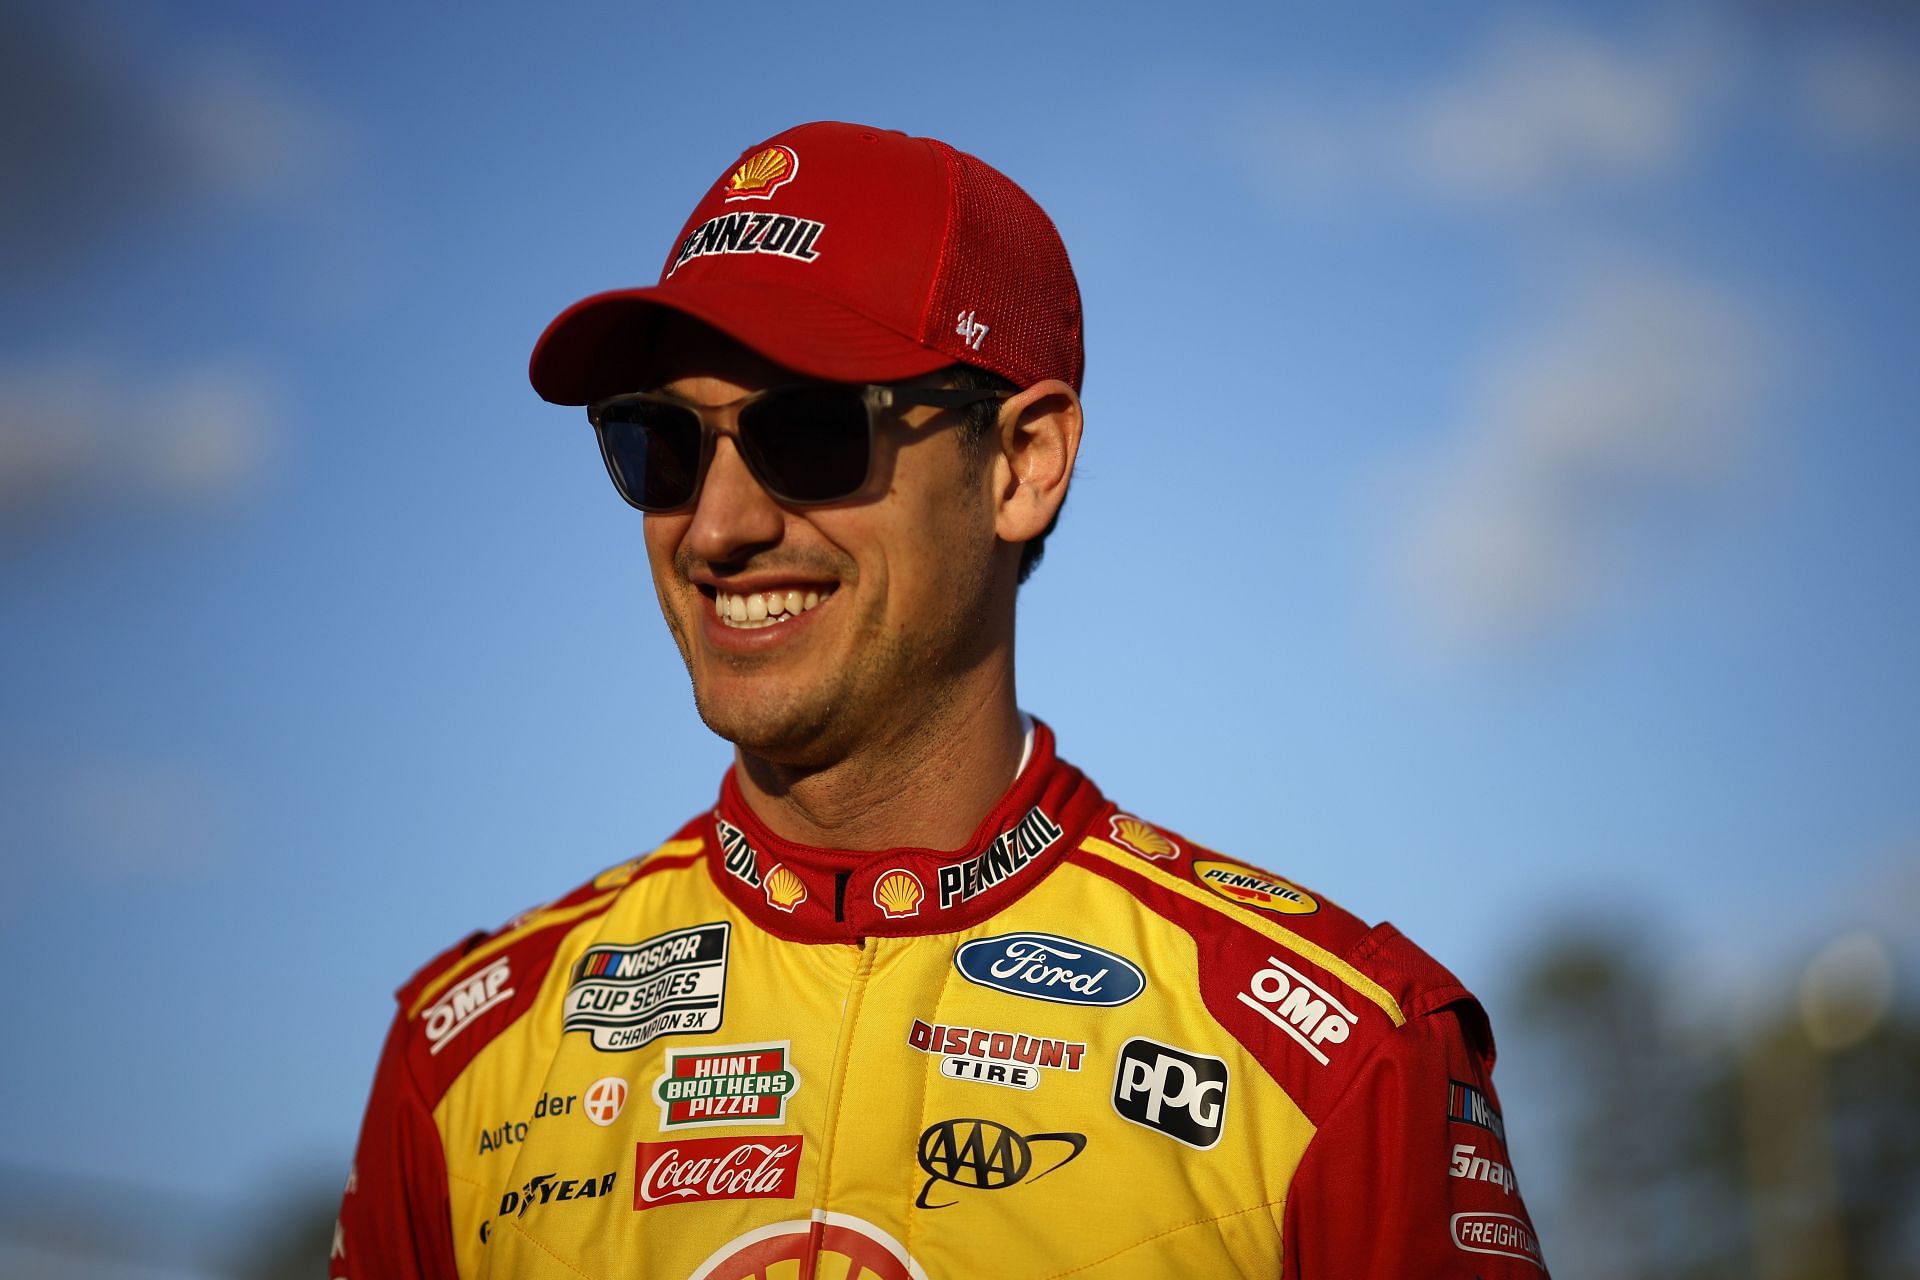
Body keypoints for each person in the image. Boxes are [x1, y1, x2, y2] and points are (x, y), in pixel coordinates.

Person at [334, 120, 1548, 1279]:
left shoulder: (1349, 1066)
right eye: (659, 443)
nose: (716, 524)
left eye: (810, 432)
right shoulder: (459, 1066)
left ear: (1024, 463)